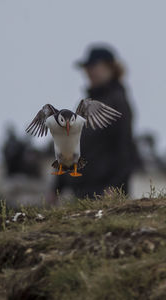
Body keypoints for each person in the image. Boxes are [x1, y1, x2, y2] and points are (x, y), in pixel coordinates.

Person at [49, 45, 141, 203]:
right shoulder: (86, 106)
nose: (89, 71)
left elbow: (125, 149)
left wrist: (115, 188)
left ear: (110, 68)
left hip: (106, 194)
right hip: (80, 193)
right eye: (87, 67)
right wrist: (57, 188)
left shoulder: (118, 102)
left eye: (94, 66)